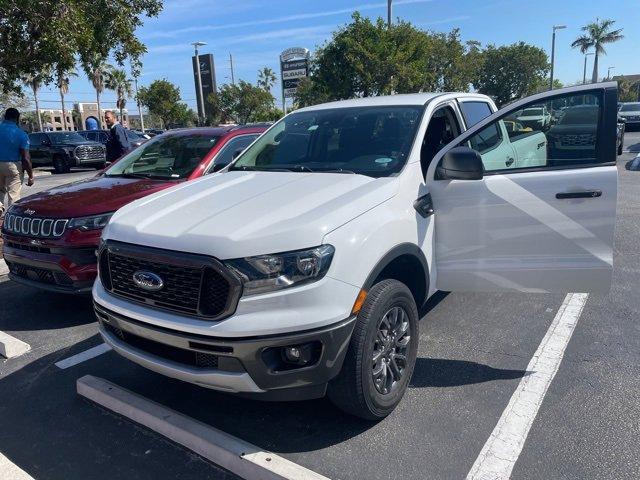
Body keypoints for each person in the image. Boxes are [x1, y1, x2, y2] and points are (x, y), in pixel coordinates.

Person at [0, 108, 34, 218]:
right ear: (17, 118)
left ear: (4, 117)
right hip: (13, 166)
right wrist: (30, 175)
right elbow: (25, 158)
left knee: (0, 190)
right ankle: (11, 218)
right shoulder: (21, 134)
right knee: (13, 194)